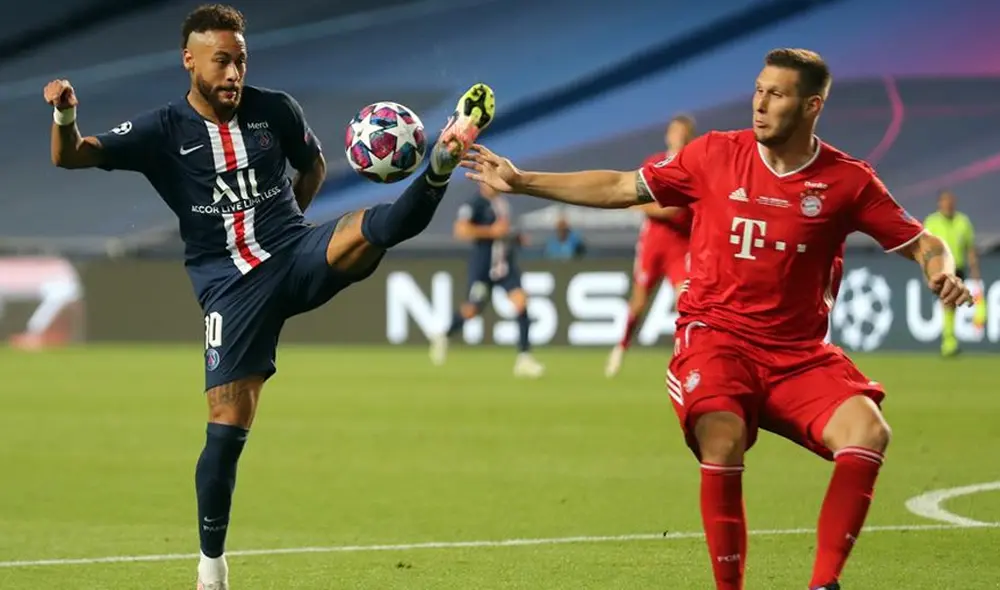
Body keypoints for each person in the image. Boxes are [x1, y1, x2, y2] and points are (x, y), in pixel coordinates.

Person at [463, 48, 971, 590]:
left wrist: (940, 269)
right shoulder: (713, 154)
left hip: (797, 355)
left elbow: (924, 243)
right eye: (758, 90)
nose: (760, 104)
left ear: (811, 106)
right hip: (716, 339)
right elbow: (620, 187)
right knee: (722, 437)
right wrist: (523, 180)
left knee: (868, 432)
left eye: (776, 94)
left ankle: (824, 585)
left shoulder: (848, 181)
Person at [43, 5, 495, 589]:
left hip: (293, 250)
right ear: (189, 61)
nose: (234, 73)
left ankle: (440, 164)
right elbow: (71, 155)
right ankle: (212, 568)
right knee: (226, 428)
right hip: (230, 289)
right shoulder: (161, 130)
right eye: (221, 61)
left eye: (241, 61)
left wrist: (288, 226)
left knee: (376, 227)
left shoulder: (275, 110)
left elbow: (313, 164)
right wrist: (65, 113)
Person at [606, 115, 695, 377]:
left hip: (681, 245)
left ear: (689, 136)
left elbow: (673, 211)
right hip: (653, 244)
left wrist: (645, 207)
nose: (677, 136)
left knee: (685, 302)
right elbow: (636, 196)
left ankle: (687, 357)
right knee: (639, 301)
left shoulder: (693, 166)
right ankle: (621, 348)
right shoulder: (654, 163)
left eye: (682, 132)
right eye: (674, 131)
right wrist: (648, 206)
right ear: (668, 135)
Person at [429, 183, 545, 378]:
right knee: (472, 309)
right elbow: (461, 230)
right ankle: (444, 336)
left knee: (521, 302)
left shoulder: (502, 203)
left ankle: (524, 358)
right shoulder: (474, 204)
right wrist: (491, 232)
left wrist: (516, 238)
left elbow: (503, 231)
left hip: (504, 267)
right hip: (483, 268)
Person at [923, 190, 983, 356]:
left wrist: (975, 272)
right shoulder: (932, 222)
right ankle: (949, 342)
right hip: (940, 269)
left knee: (952, 304)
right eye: (945, 201)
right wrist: (925, 270)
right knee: (948, 302)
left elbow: (970, 249)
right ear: (939, 203)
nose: (948, 204)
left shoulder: (963, 222)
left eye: (951, 201)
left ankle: (949, 340)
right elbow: (924, 249)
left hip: (958, 269)